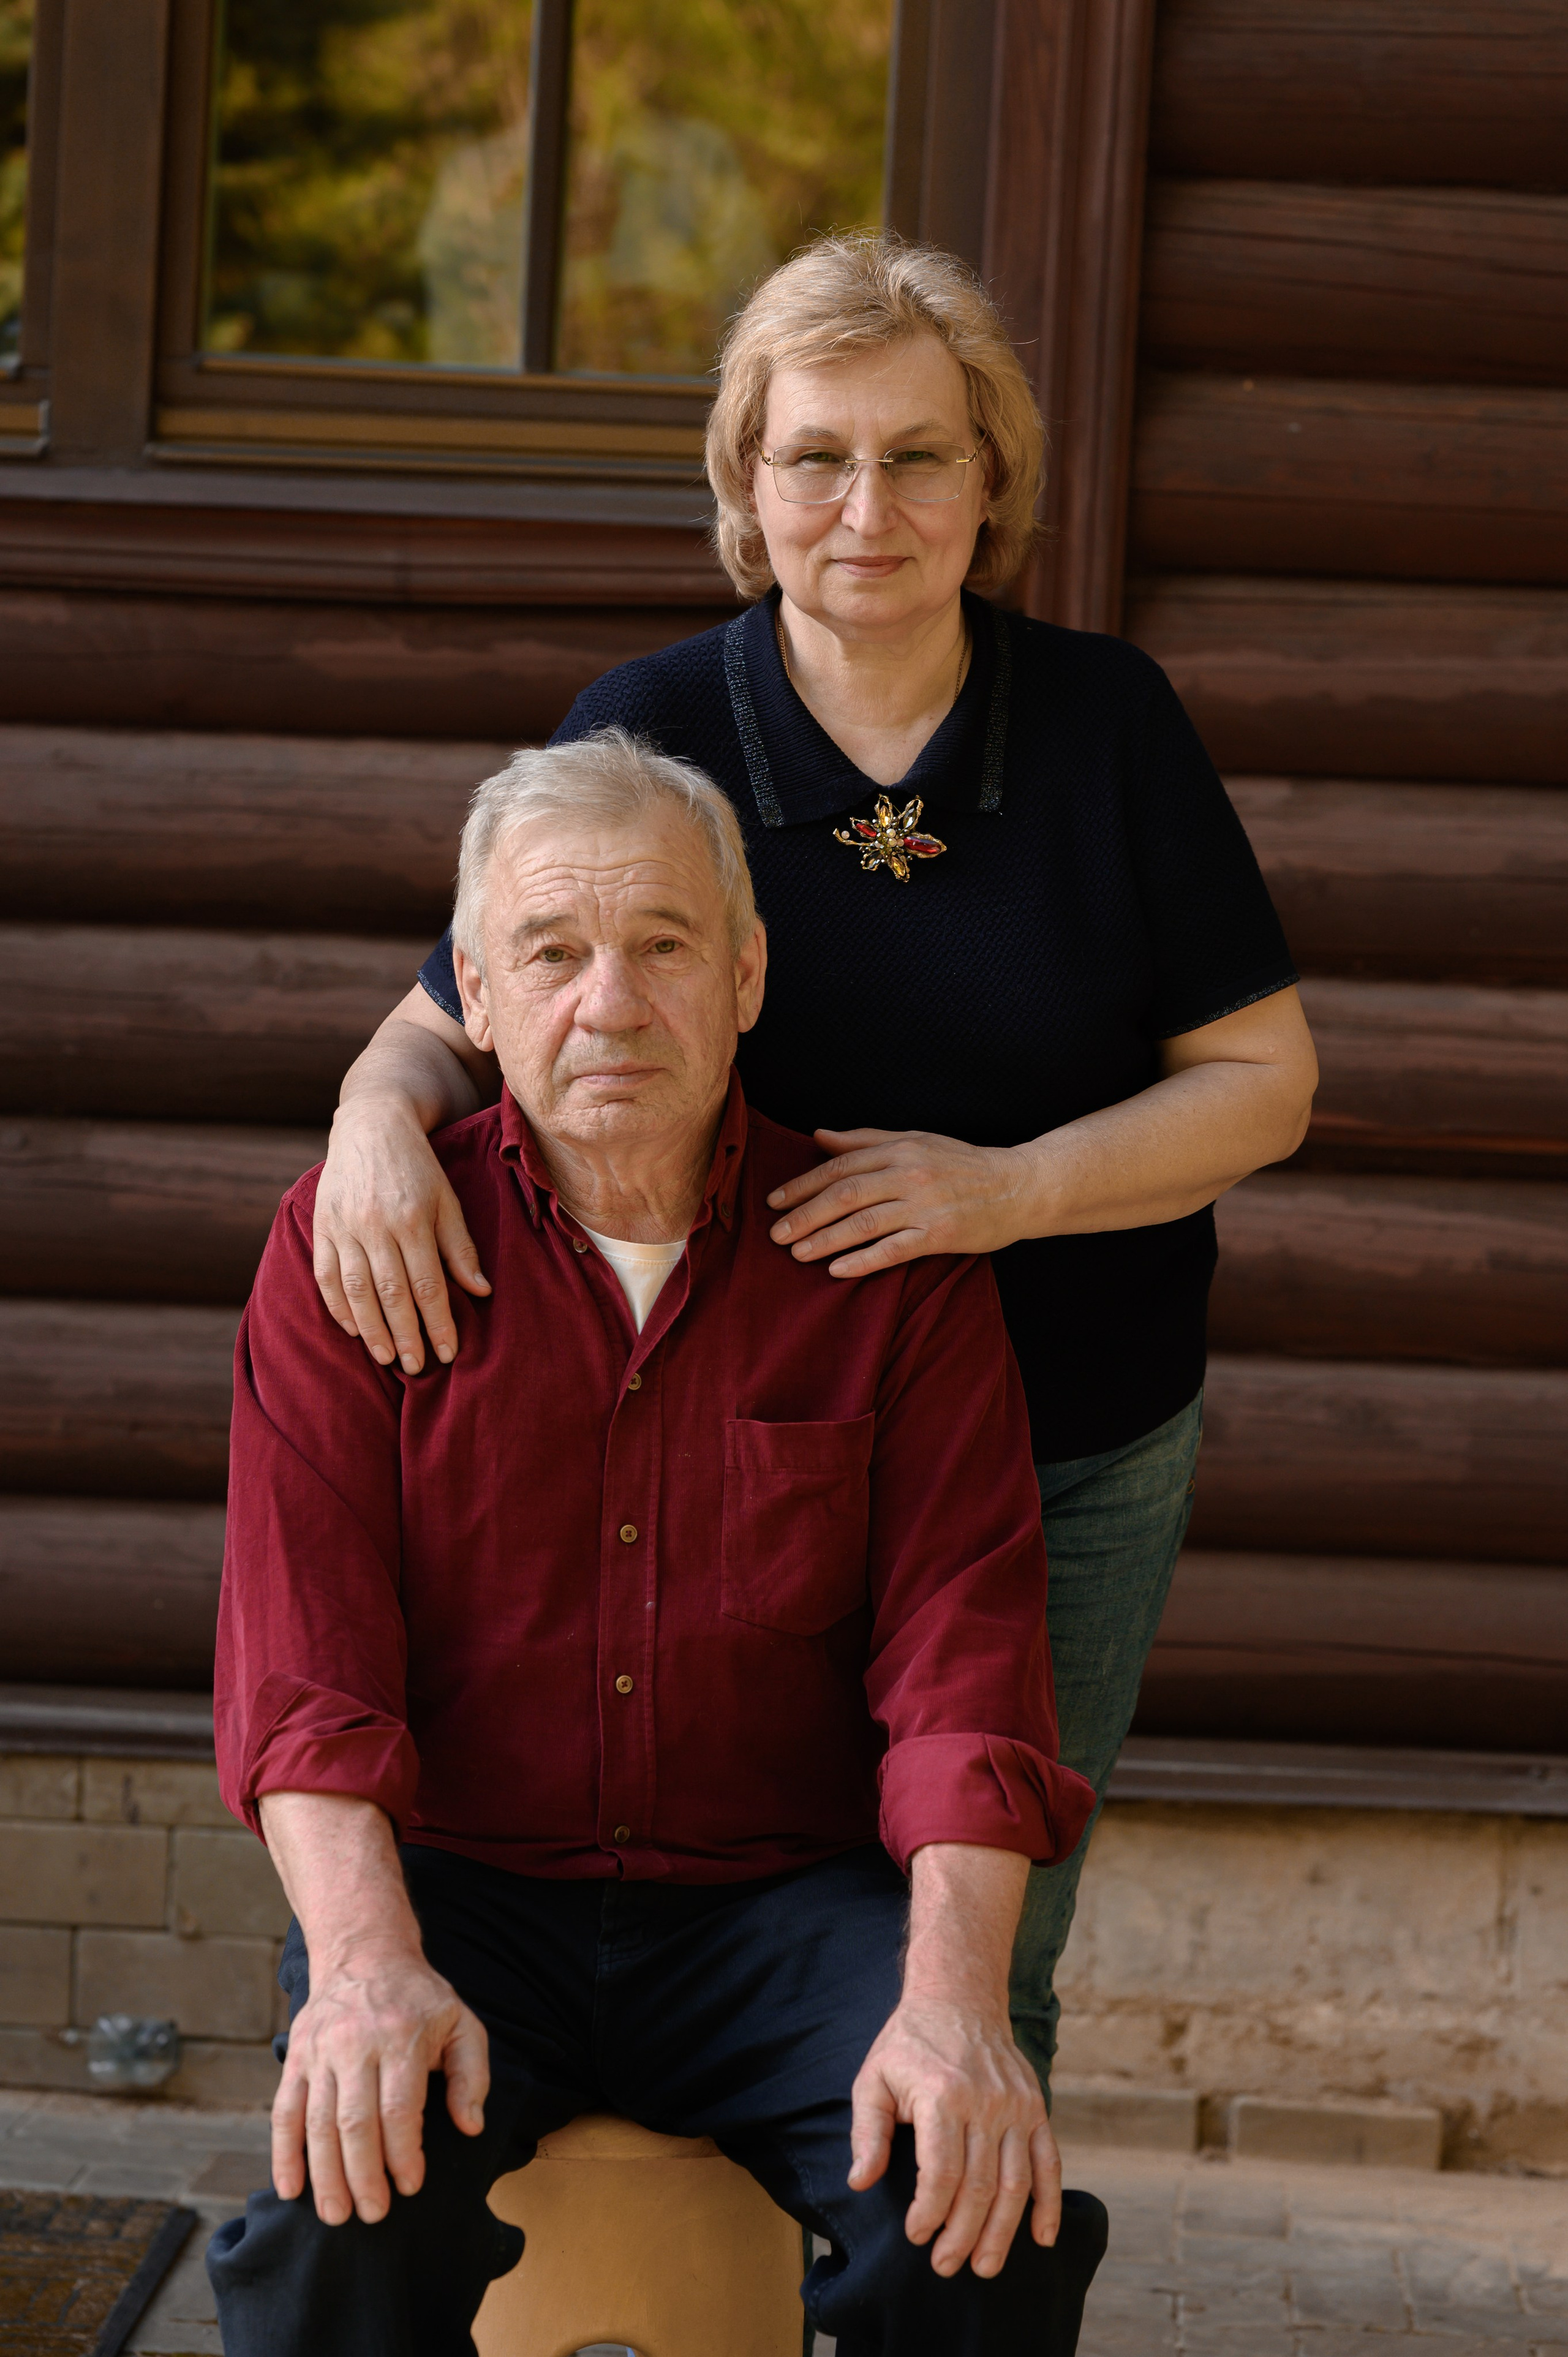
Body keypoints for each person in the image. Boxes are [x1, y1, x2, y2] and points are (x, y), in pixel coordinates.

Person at [311, 233, 1318, 2091]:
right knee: (784, 1940)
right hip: (758, 1448)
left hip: (1068, 1432)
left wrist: (1000, 1192)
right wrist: (375, 1118)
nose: (870, 506)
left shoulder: (1108, 728)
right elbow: (454, 1005)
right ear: (747, 484)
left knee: (981, 1961)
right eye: (817, 457)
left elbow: (1265, 1082)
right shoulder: (658, 720)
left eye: (922, 455)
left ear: (990, 480)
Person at [207, 733, 1107, 2357]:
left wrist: (960, 2006)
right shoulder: (353, 1253)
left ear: (748, 973)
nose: (608, 1003)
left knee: (972, 2217)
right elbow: (303, 1664)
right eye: (551, 954)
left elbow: (965, 1673)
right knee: (342, 2207)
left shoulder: (887, 1267)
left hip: (783, 1908)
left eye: (663, 946)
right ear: (474, 996)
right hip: (465, 1892)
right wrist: (359, 1970)